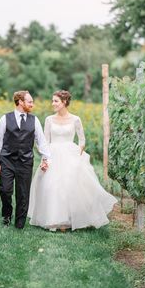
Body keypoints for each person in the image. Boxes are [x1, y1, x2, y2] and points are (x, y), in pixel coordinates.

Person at [28, 90, 117, 232]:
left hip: (71, 153)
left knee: (72, 186)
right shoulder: (49, 120)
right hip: (53, 154)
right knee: (52, 186)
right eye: (52, 101)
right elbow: (45, 141)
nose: (53, 104)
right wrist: (45, 157)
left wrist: (78, 152)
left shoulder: (75, 119)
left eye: (56, 101)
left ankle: (72, 218)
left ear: (64, 102)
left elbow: (82, 139)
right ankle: (56, 219)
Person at [0, 90, 50, 229]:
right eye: (30, 101)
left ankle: (19, 224)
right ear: (20, 102)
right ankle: (6, 215)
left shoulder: (34, 120)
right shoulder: (5, 119)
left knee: (23, 194)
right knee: (5, 190)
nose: (32, 104)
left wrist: (45, 158)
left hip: (25, 161)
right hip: (6, 160)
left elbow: (41, 141)